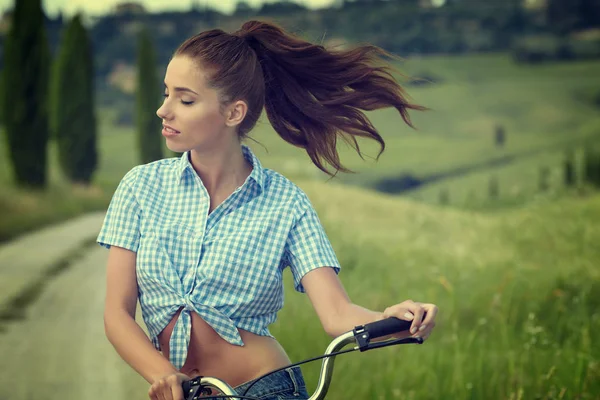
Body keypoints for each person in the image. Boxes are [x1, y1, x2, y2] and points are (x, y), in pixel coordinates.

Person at [98, 20, 438, 400]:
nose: (164, 110)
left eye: (185, 99)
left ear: (233, 113)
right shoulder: (140, 188)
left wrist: (392, 318)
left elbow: (338, 315)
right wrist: (164, 375)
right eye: (166, 94)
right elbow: (117, 313)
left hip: (268, 388)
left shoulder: (287, 203)